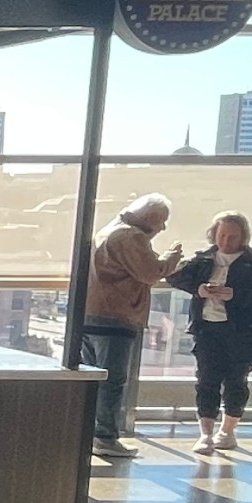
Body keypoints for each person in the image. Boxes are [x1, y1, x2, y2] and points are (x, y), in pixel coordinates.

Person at [80, 193, 183, 460]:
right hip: (115, 315)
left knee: (93, 379)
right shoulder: (130, 237)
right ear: (151, 218)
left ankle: (89, 432)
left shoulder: (109, 230)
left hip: (92, 315)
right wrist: (172, 259)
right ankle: (105, 436)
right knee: (112, 381)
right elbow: (150, 272)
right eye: (162, 222)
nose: (162, 228)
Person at [167, 210, 252, 456]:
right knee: (206, 379)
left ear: (243, 237)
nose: (227, 241)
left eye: (233, 236)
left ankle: (227, 431)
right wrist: (200, 289)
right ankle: (205, 434)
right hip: (208, 328)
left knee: (236, 380)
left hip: (245, 332)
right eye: (222, 235)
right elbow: (174, 277)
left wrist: (235, 295)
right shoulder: (205, 259)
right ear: (214, 235)